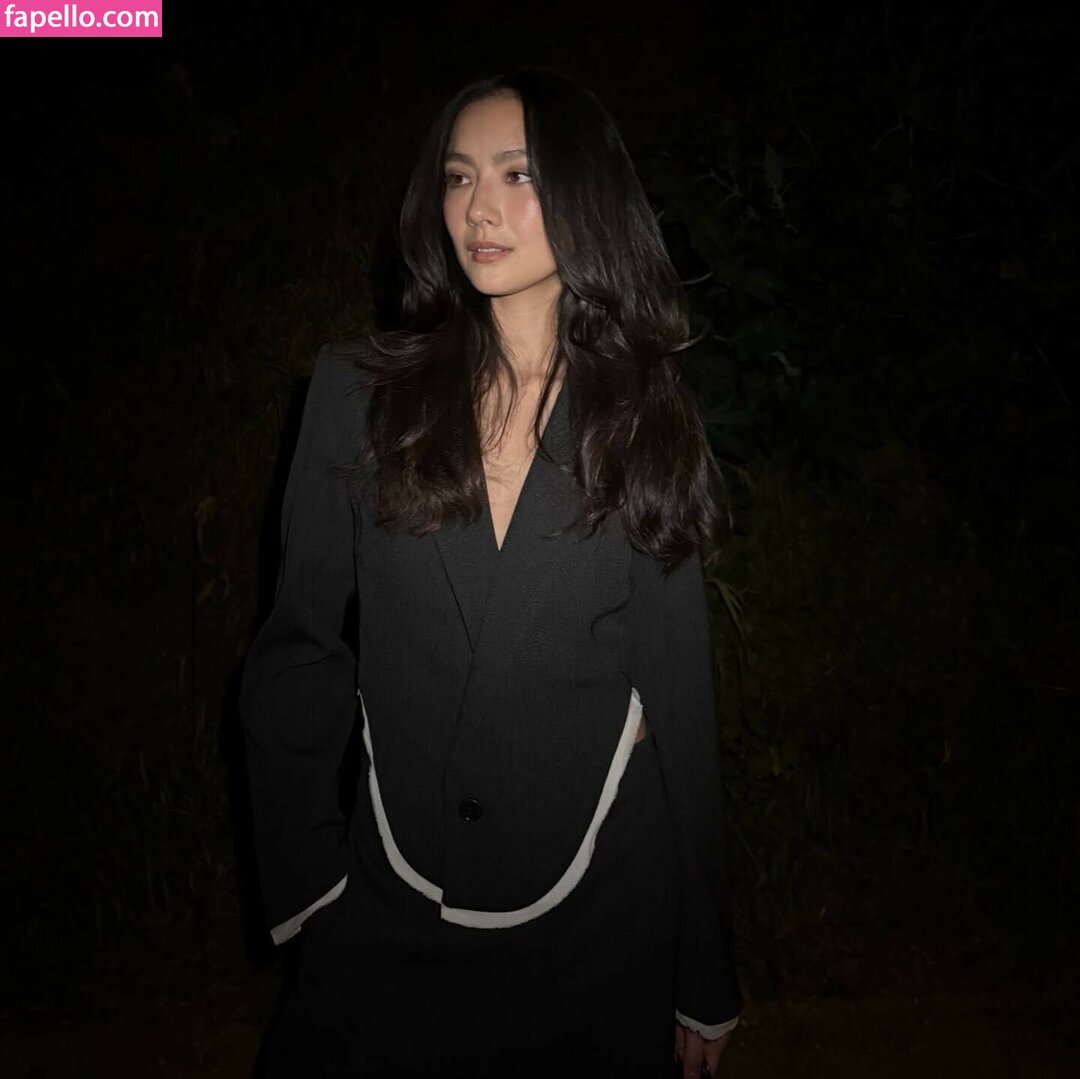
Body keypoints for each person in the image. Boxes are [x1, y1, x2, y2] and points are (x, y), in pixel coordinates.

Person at [240, 68, 742, 1078]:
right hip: (388, 909)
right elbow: (299, 650)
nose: (479, 206)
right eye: (459, 175)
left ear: (583, 195)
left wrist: (705, 961)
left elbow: (678, 705)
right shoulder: (357, 394)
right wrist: (311, 885)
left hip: (603, 921)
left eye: (518, 174)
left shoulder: (642, 416)